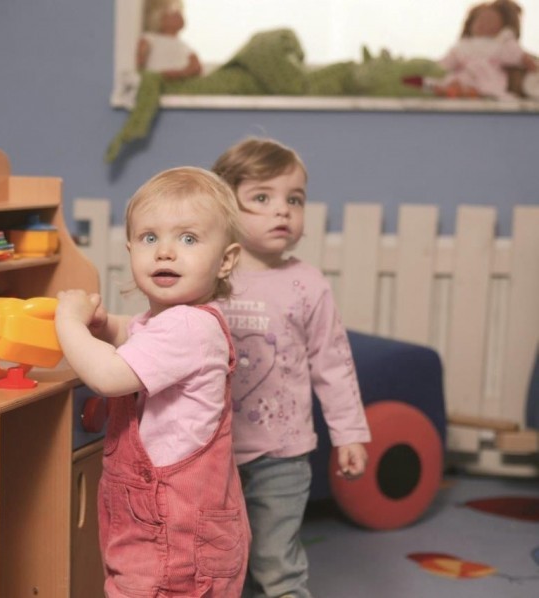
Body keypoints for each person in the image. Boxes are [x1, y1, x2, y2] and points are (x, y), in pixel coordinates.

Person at [55, 166, 249, 597]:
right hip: (167, 528)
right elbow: (141, 334)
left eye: (188, 239)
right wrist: (109, 329)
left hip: (174, 539)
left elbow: (108, 377)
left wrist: (68, 323)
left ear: (227, 260)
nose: (164, 252)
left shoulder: (187, 327)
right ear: (130, 249)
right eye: (149, 238)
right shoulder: (176, 321)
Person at [212, 137, 371, 598]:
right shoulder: (207, 277)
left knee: (276, 564)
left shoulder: (308, 285)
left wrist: (350, 433)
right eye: (262, 198)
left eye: (294, 200)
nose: (283, 211)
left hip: (282, 455)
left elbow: (333, 365)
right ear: (223, 206)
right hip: (209, 451)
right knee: (215, 562)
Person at [406, 0, 537, 99]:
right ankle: (442, 88)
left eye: (490, 21)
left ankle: (467, 92)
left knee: (484, 88)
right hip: (464, 75)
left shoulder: (500, 45)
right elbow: (446, 63)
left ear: (501, 27)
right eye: (480, 20)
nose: (484, 24)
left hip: (486, 77)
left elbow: (518, 56)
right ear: (470, 24)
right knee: (452, 80)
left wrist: (532, 66)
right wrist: (436, 69)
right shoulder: (462, 46)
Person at [136, 0, 202, 81]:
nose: (178, 13)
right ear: (160, 19)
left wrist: (179, 73)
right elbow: (141, 55)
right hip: (156, 79)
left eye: (179, 11)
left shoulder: (184, 46)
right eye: (172, 12)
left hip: (178, 82)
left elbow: (196, 66)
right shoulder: (151, 37)